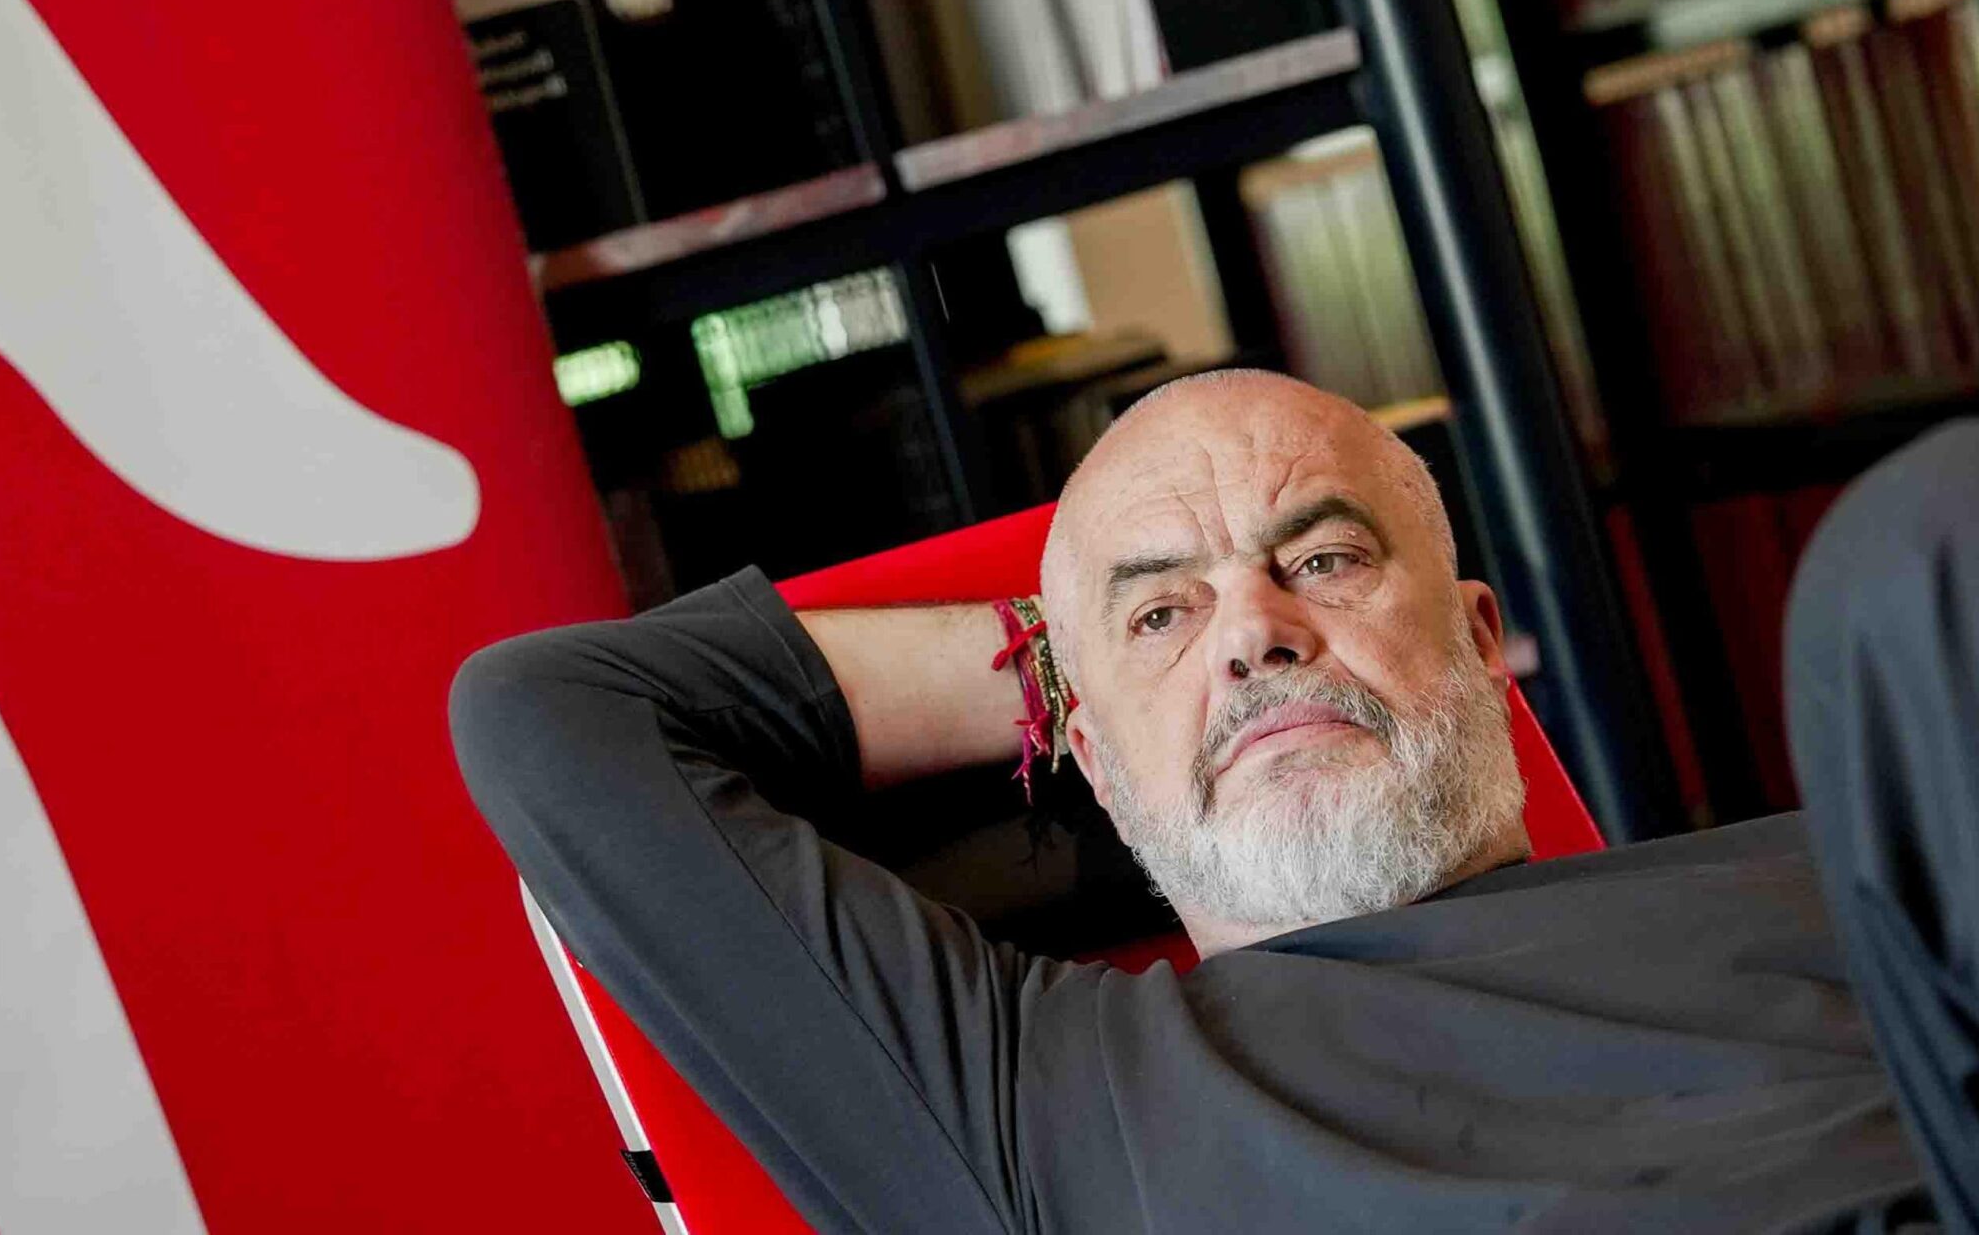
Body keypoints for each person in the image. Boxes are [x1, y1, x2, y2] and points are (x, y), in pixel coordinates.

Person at [451, 370, 1972, 1233]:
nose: (1252, 630)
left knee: (1925, 555)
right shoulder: (1036, 1109)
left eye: (1324, 560)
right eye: (1163, 615)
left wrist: (1158, 648)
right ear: (1089, 757)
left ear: (1479, 643)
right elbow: (559, 718)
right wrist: (1091, 665)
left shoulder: (1832, 872)